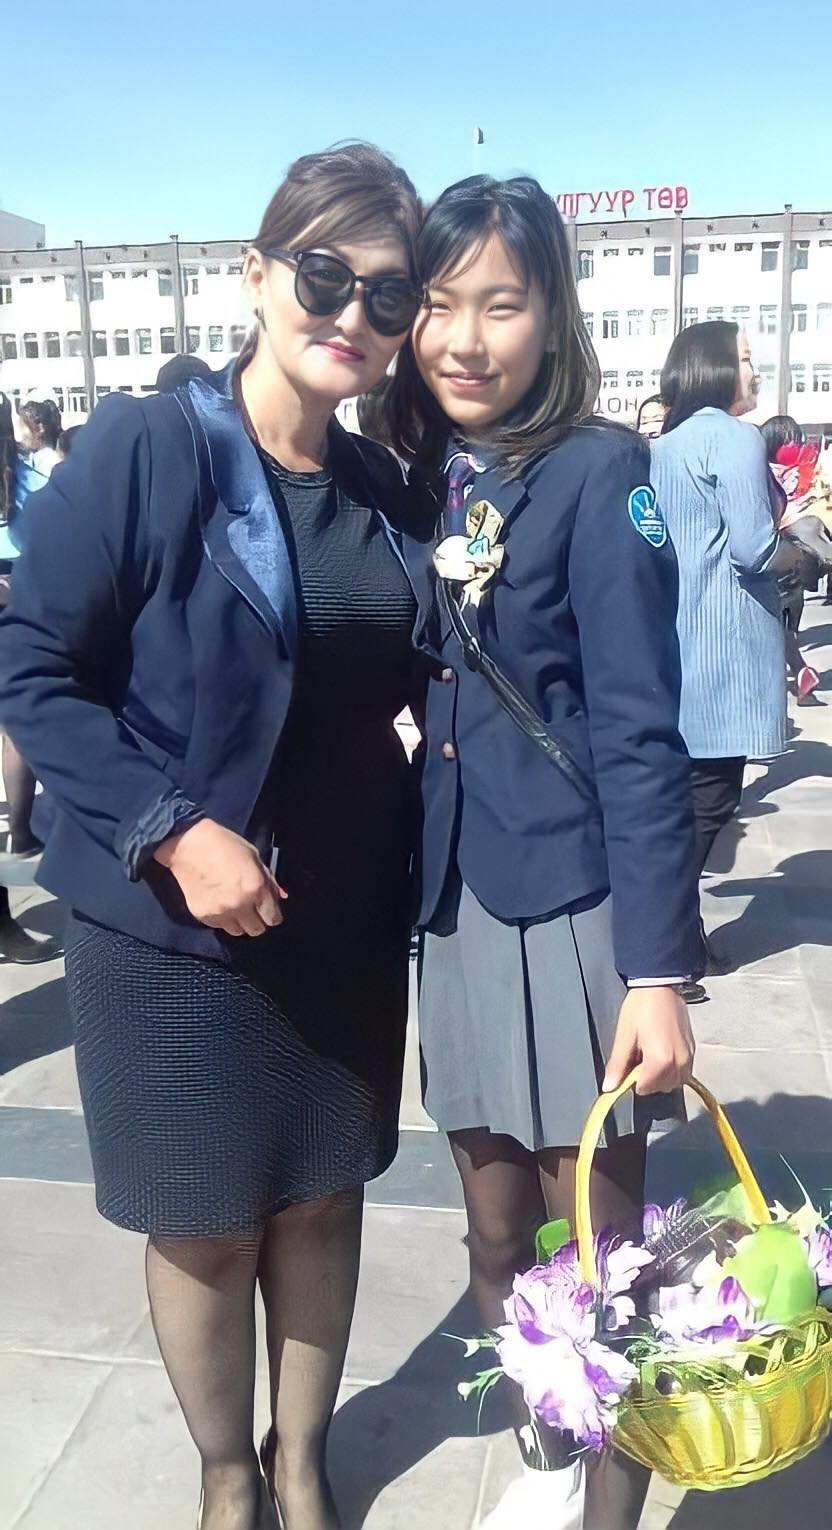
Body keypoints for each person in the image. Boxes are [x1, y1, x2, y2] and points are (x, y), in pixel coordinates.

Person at [0, 142, 426, 1530]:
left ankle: (302, 1462)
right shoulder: (151, 446)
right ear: (256, 274)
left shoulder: (381, 486)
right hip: (170, 932)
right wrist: (171, 829)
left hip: (342, 921)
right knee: (204, 1221)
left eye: (387, 294)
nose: (352, 314)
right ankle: (228, 1478)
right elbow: (31, 665)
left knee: (322, 1197)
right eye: (326, 276)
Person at [388, 175, 700, 1530]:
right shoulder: (419, 472)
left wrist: (659, 971)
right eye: (438, 303)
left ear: (550, 312)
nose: (464, 337)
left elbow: (640, 731)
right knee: (495, 1228)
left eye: (499, 303)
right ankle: (548, 1448)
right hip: (457, 901)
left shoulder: (598, 473)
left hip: (575, 907)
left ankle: (608, 1502)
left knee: (603, 1251)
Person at [650, 322, 786, 1001]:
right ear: (713, 368)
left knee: (685, 800)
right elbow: (754, 549)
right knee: (711, 800)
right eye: (745, 359)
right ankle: (669, 947)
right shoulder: (735, 437)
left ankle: (676, 937)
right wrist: (804, 545)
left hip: (675, 640)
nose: (754, 371)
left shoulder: (665, 443)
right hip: (725, 644)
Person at [0, 393, 62, 962]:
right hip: (19, 600)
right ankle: (20, 831)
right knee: (15, 723)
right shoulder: (30, 476)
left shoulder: (30, 475)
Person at [761, 415, 829, 703]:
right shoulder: (806, 474)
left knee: (778, 629)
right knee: (786, 628)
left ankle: (793, 678)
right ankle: (801, 677)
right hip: (797, 563)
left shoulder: (763, 473)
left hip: (780, 562)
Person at [17, 398, 63, 476]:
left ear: (40, 428)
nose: (21, 432)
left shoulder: (50, 463)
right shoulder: (33, 457)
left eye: (23, 426)